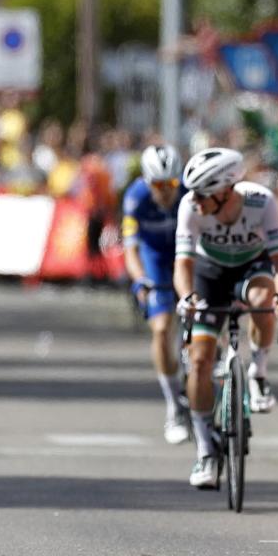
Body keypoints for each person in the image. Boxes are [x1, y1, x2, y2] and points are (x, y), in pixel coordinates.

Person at [174, 147, 278, 489]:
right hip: (209, 274)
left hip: (251, 268)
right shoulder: (189, 209)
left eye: (201, 194)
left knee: (262, 300)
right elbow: (183, 265)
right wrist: (186, 298)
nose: (194, 201)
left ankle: (258, 372)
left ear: (226, 191)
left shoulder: (262, 202)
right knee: (199, 360)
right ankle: (207, 451)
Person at [122, 144, 189, 444]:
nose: (165, 192)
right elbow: (131, 249)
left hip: (186, 256)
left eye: (171, 184)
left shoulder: (190, 194)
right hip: (155, 261)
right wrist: (140, 281)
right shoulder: (135, 198)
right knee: (161, 328)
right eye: (158, 185)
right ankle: (174, 406)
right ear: (147, 182)